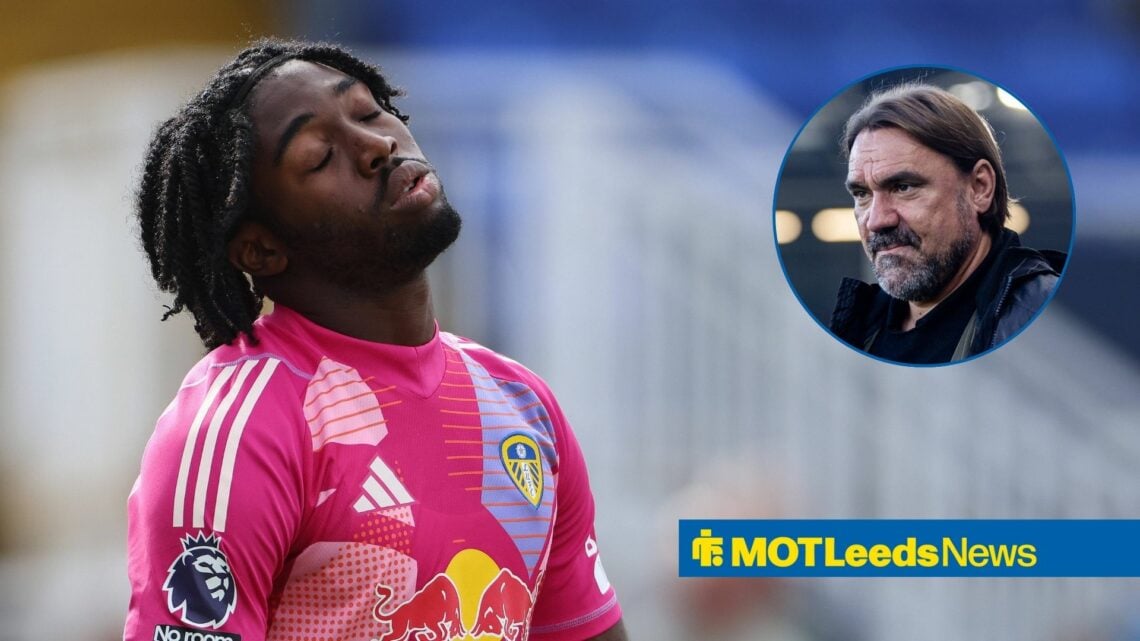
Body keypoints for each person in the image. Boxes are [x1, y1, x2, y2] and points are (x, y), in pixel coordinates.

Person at [125, 38, 626, 641]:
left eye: (367, 111)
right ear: (260, 247)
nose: (376, 146)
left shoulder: (522, 407)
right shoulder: (240, 430)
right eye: (318, 157)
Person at [829, 83, 1066, 364]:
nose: (878, 220)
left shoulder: (1039, 317)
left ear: (980, 187)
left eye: (903, 187)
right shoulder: (857, 327)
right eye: (862, 194)